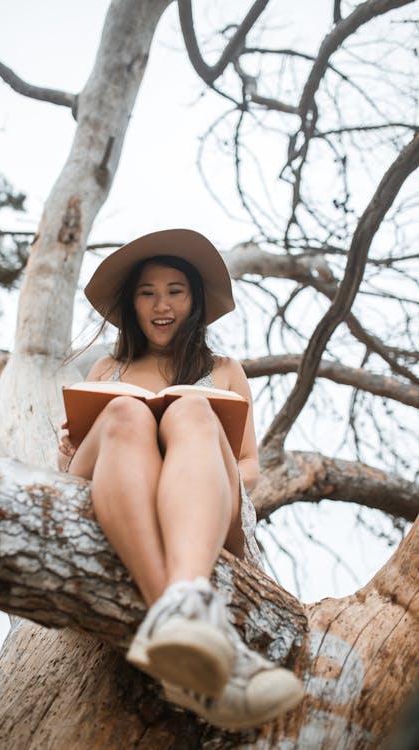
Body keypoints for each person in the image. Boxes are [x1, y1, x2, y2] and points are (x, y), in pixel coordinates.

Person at [58, 229, 303, 730]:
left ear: (194, 300)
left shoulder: (225, 369)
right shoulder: (108, 367)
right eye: (147, 292)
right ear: (132, 303)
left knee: (192, 410)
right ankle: (186, 629)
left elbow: (250, 465)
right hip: (117, 485)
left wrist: (197, 465)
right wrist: (68, 452)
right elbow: (72, 473)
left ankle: (183, 599)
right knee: (125, 414)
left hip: (205, 499)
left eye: (175, 290)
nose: (161, 304)